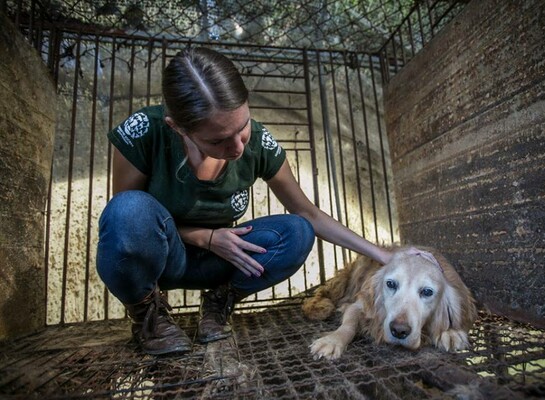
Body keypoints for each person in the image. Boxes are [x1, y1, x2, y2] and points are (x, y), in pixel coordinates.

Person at [96, 47, 393, 355]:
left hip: (222, 262)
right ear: (178, 128)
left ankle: (218, 303)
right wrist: (207, 237)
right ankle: (149, 313)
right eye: (217, 140)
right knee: (127, 210)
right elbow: (130, 229)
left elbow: (309, 214)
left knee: (298, 231)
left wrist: (382, 254)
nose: (237, 147)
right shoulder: (144, 131)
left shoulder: (259, 142)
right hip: (162, 258)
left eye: (242, 127)